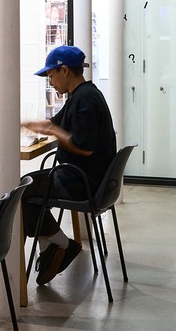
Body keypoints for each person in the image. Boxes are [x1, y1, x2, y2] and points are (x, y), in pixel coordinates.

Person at [20, 45, 117, 285]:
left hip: (83, 182)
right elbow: (55, 122)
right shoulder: (82, 94)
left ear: (65, 70)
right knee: (30, 185)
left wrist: (53, 130)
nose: (50, 82)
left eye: (51, 76)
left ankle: (63, 245)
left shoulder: (84, 99)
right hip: (88, 177)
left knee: (22, 193)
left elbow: (84, 147)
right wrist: (31, 124)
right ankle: (51, 250)